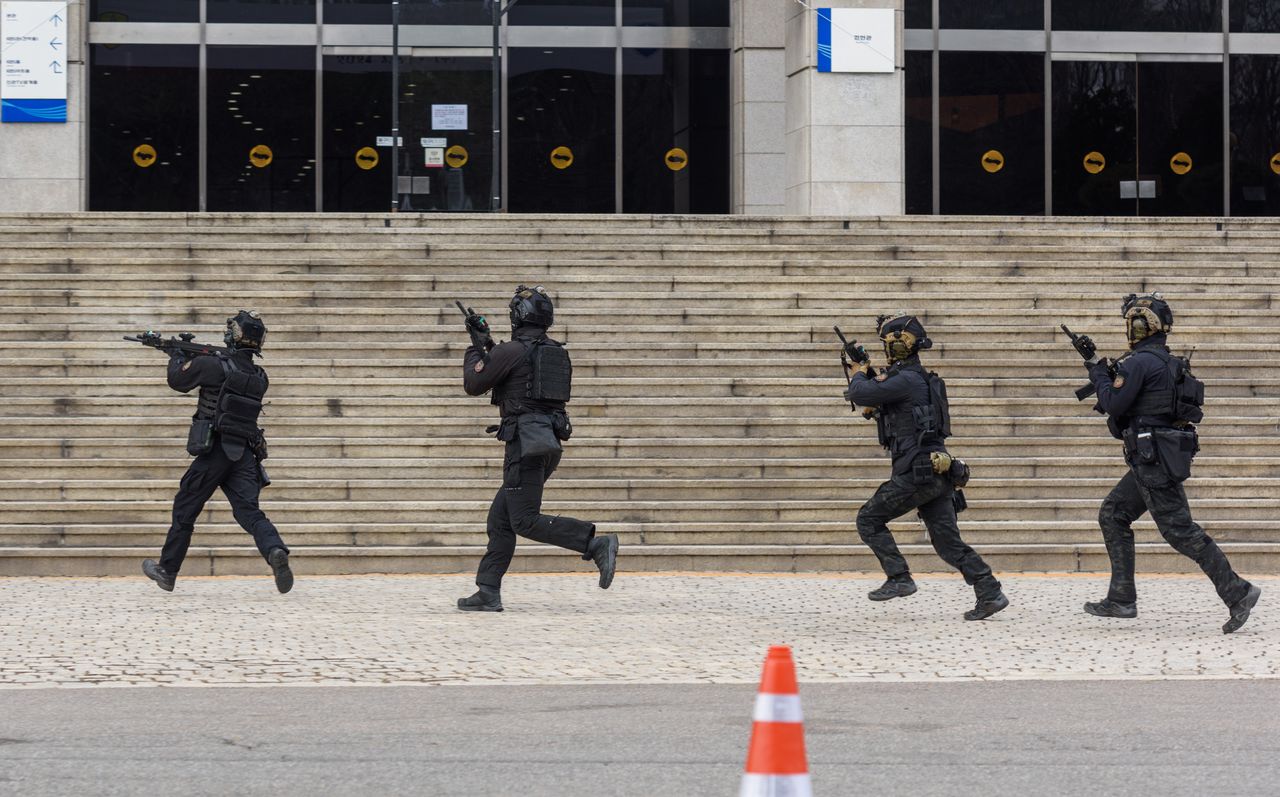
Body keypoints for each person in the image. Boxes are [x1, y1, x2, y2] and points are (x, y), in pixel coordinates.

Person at [1073, 292, 1259, 633]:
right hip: (1155, 456)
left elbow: (1114, 403)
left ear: (1142, 325)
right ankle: (1121, 598)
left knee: (1180, 532)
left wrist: (1098, 372)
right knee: (1113, 514)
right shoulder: (1166, 362)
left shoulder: (1139, 363)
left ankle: (1238, 592)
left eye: (1132, 322)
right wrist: (1099, 365)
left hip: (1152, 459)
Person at [456, 286, 618, 612]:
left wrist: (476, 348)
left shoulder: (512, 351)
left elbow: (475, 383)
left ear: (517, 316)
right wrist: (489, 344)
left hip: (524, 446)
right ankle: (488, 590)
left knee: (524, 520)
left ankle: (593, 542)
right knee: (500, 519)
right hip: (546, 443)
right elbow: (517, 373)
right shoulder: (555, 352)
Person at [842, 313, 1008, 620]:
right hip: (937, 471)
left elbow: (859, 392)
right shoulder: (917, 378)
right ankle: (990, 591)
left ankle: (899, 578)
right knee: (947, 543)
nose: (887, 351)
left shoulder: (905, 379)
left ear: (900, 346)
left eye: (888, 344)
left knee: (868, 519)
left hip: (917, 473)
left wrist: (859, 371)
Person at [141, 310, 292, 594]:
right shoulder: (260, 375)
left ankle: (168, 570)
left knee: (185, 507)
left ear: (234, 335)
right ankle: (275, 550)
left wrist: (176, 355)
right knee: (249, 512)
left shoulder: (214, 365)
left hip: (215, 451)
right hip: (244, 453)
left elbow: (178, 380)